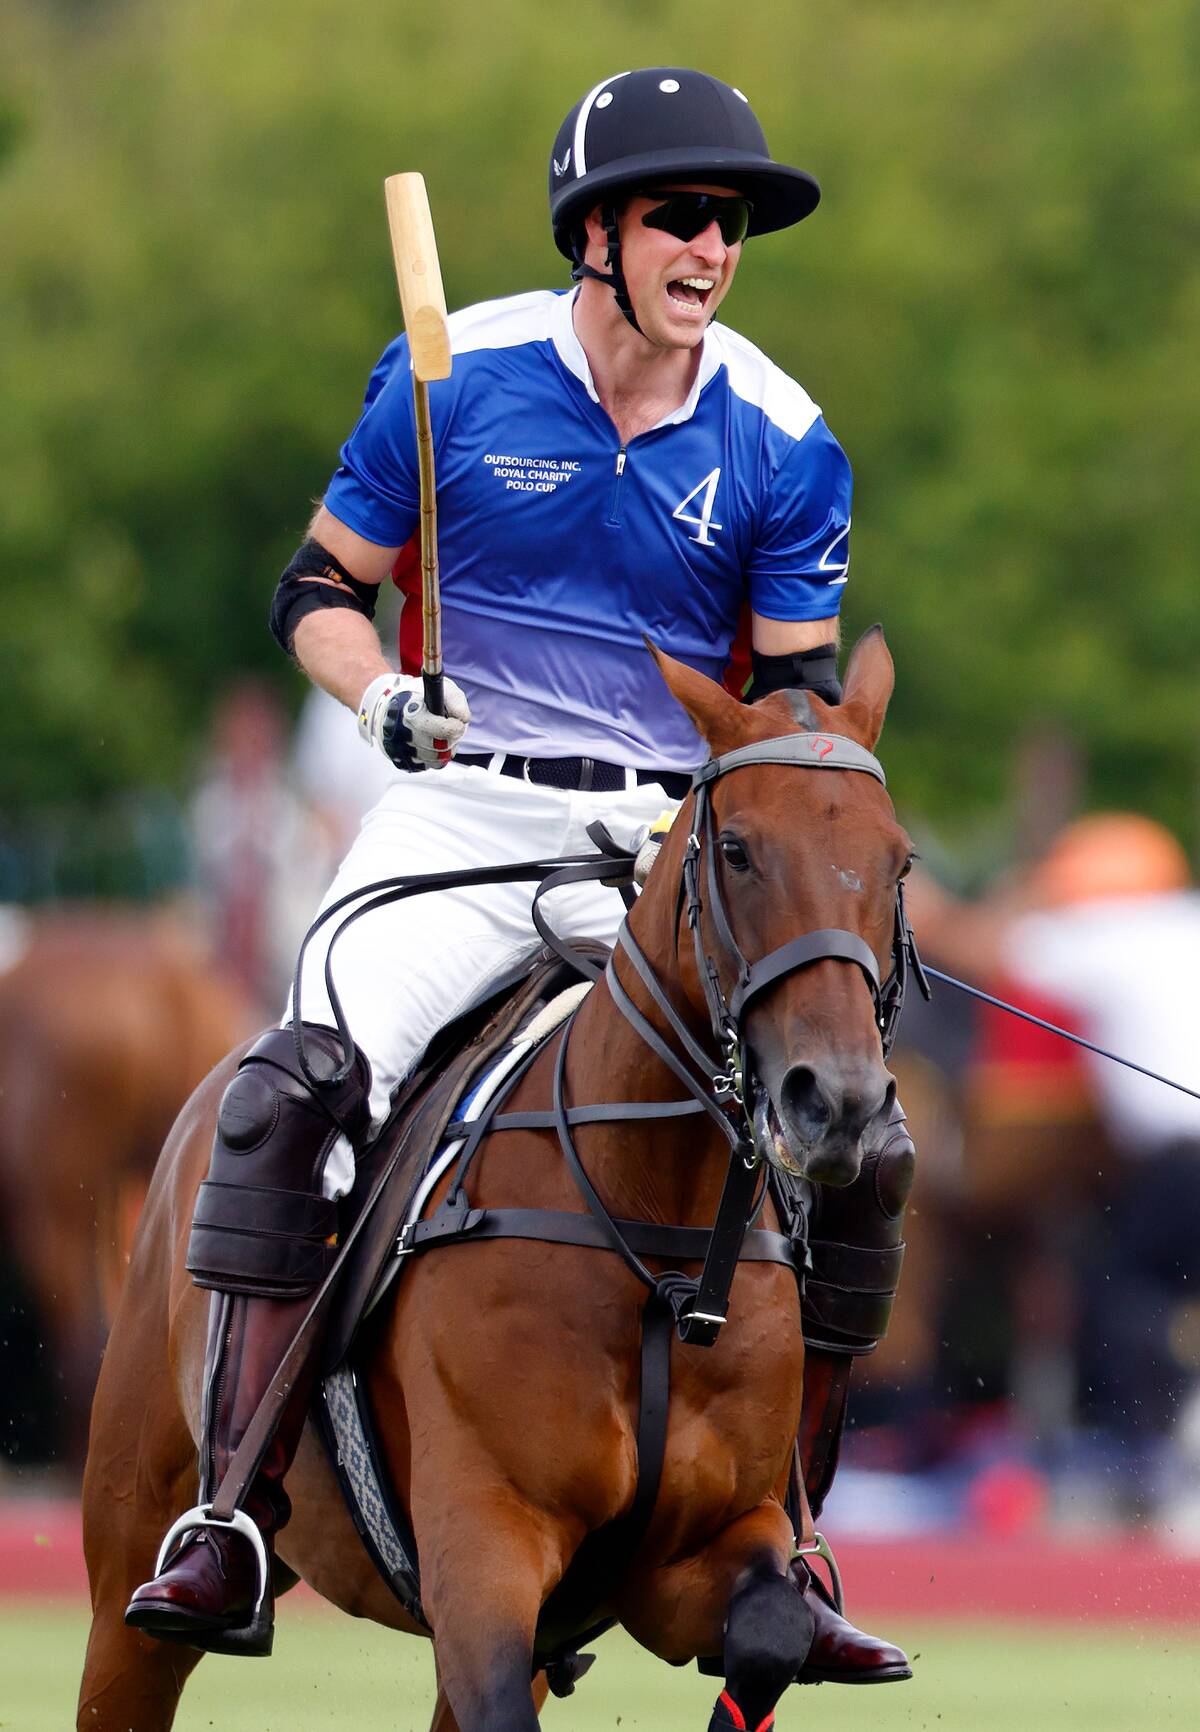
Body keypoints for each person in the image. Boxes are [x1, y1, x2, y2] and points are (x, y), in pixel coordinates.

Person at [126, 67, 914, 1683]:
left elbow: (791, 703)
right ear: (600, 233)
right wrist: (379, 695)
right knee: (303, 1088)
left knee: (844, 1138)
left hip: (670, 839)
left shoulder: (781, 435)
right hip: (460, 817)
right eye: (686, 216)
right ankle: (232, 1509)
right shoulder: (453, 378)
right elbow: (318, 591)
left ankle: (792, 1530)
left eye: (734, 222)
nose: (717, 244)